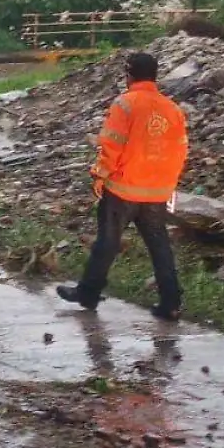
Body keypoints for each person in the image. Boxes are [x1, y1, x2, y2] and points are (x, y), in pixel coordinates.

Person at [57, 51, 188, 320]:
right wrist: (168, 183)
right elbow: (181, 151)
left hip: (123, 189)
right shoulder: (173, 109)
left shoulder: (125, 104)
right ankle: (171, 302)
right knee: (159, 245)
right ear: (155, 75)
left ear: (128, 74)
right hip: (157, 192)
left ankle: (88, 294)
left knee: (107, 242)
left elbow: (111, 145)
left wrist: (100, 175)